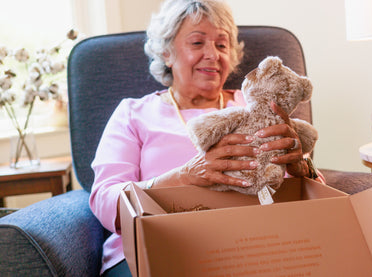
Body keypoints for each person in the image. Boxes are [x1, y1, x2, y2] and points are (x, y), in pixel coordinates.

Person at [89, 0, 312, 275]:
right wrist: (181, 178)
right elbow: (104, 199)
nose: (213, 55)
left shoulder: (260, 107)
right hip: (154, 248)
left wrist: (301, 168)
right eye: (197, 43)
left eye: (222, 45)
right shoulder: (133, 113)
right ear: (166, 52)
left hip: (251, 246)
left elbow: (310, 198)